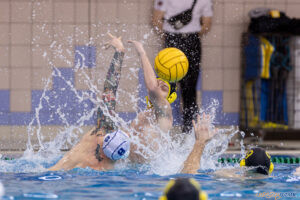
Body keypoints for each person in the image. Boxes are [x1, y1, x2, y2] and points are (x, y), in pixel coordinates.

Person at [152, 0, 213, 133]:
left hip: (173, 41)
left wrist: (171, 38)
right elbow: (206, 25)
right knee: (187, 91)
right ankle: (189, 133)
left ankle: (162, 131)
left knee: (166, 89)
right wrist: (189, 36)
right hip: (192, 41)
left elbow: (156, 20)